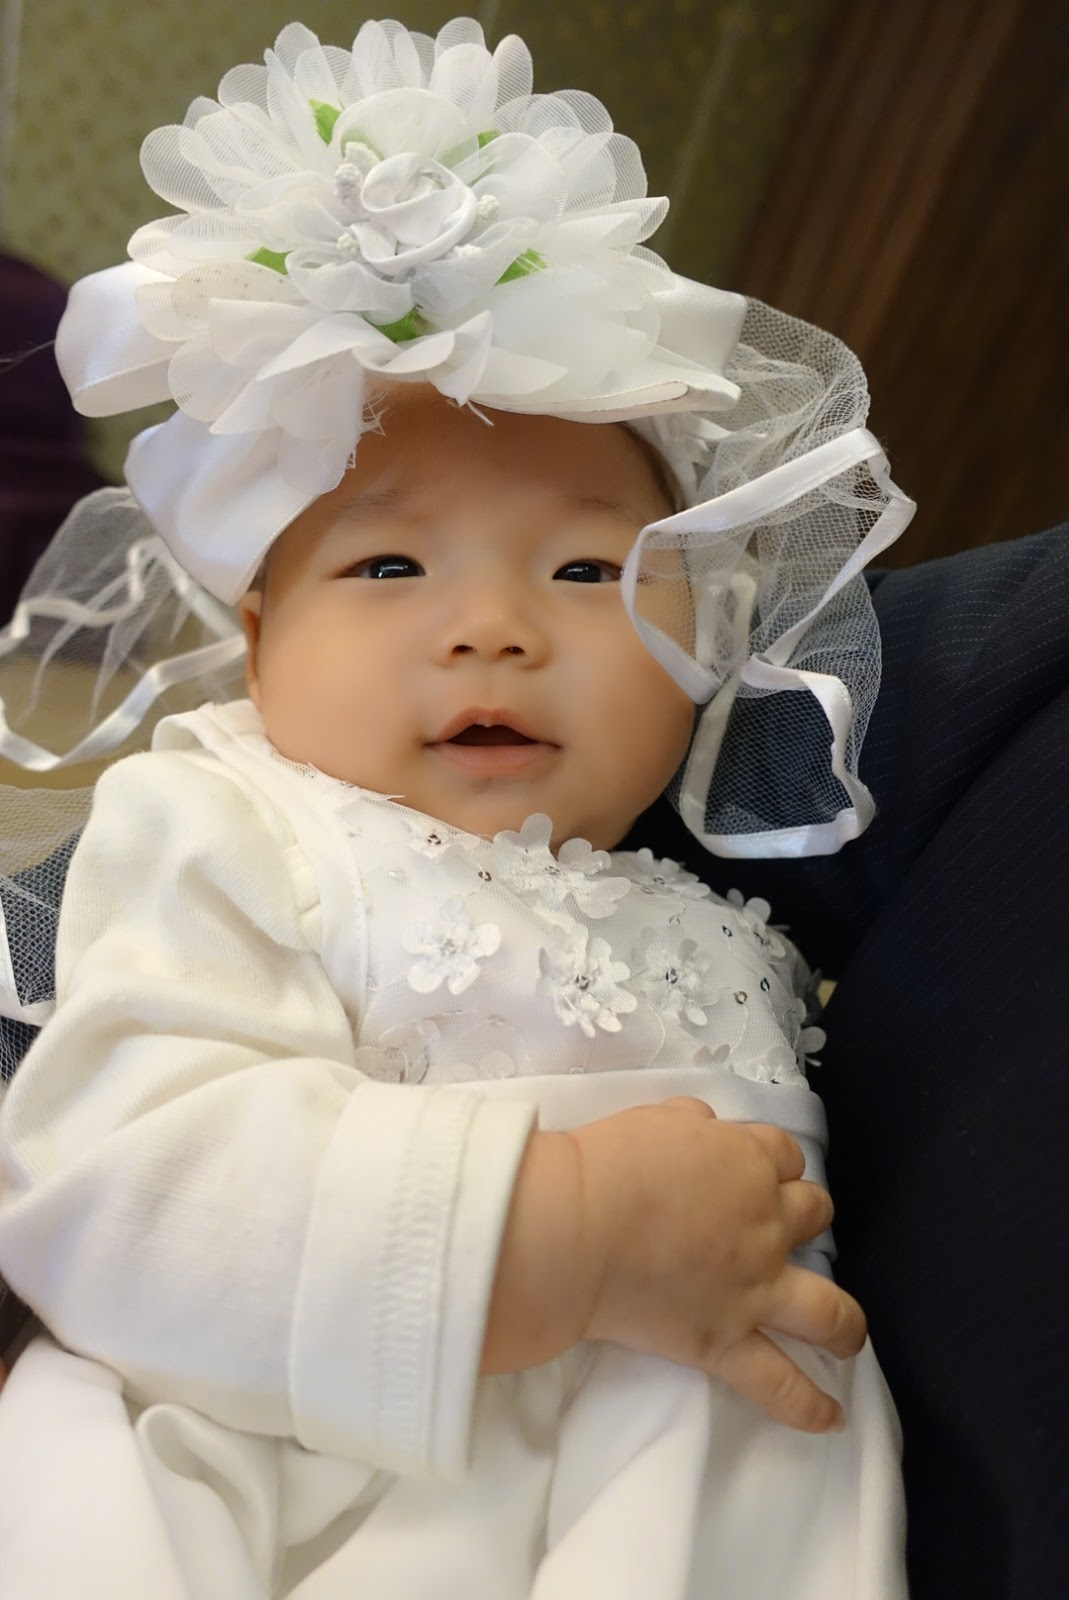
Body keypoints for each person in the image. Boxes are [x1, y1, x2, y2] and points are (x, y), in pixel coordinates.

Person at [0, 18, 913, 1598]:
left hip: (684, 1486)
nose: (492, 627)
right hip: (298, 1472)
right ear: (256, 642)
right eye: (387, 564)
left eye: (586, 568)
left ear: (705, 639)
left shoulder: (734, 916)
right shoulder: (223, 824)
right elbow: (114, 1181)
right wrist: (557, 1233)